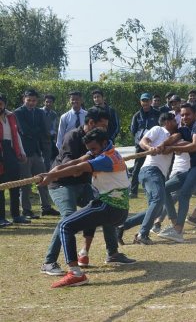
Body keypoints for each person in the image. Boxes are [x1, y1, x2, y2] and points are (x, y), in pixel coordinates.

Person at [40, 107, 135, 276]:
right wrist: (51, 174)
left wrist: (79, 169)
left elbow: (80, 167)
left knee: (102, 211)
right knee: (68, 217)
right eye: (102, 126)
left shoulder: (103, 151)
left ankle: (111, 253)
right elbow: (74, 164)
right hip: (62, 183)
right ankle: (49, 261)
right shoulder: (75, 137)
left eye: (106, 127)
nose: (105, 130)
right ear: (91, 123)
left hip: (83, 183)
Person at [117, 112, 179, 245]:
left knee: (155, 208)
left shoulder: (173, 137)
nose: (177, 122)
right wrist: (150, 148)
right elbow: (143, 141)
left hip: (159, 174)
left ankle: (122, 226)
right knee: (158, 200)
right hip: (151, 170)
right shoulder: (158, 129)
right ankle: (142, 235)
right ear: (167, 122)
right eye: (174, 120)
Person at [157, 103, 196, 243]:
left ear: (194, 114)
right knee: (164, 188)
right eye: (182, 115)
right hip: (192, 169)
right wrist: (163, 144)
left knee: (184, 195)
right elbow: (175, 136)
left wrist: (172, 148)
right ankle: (175, 222)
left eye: (187, 114)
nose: (184, 117)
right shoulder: (185, 128)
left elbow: (195, 146)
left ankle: (178, 231)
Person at [14, 89, 58, 218]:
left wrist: (36, 132)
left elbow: (45, 130)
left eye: (34, 100)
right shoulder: (18, 112)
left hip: (37, 151)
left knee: (43, 180)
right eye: (29, 100)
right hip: (24, 152)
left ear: (37, 101)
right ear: (24, 99)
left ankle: (46, 208)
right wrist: (36, 131)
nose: (31, 103)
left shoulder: (40, 112)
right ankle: (26, 210)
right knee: (25, 183)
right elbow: (24, 130)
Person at [0, 93, 29, 227]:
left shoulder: (11, 116)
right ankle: (1, 218)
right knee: (0, 186)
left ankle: (16, 215)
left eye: (1, 103)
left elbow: (15, 135)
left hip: (10, 152)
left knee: (14, 184)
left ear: (4, 104)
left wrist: (21, 152)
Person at [129, 93, 160, 198]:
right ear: (140, 102)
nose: (145, 103)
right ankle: (133, 191)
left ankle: (156, 190)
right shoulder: (136, 115)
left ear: (151, 101)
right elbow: (133, 130)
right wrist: (140, 141)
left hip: (154, 146)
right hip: (141, 146)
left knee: (155, 167)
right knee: (137, 168)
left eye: (147, 100)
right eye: (143, 101)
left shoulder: (157, 113)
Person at [40, 94, 59, 171]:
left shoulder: (54, 114)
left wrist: (53, 136)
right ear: (44, 102)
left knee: (47, 160)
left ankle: (46, 176)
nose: (48, 104)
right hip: (38, 139)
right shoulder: (39, 111)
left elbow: (53, 128)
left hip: (48, 139)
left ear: (53, 103)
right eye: (47, 102)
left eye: (50, 102)